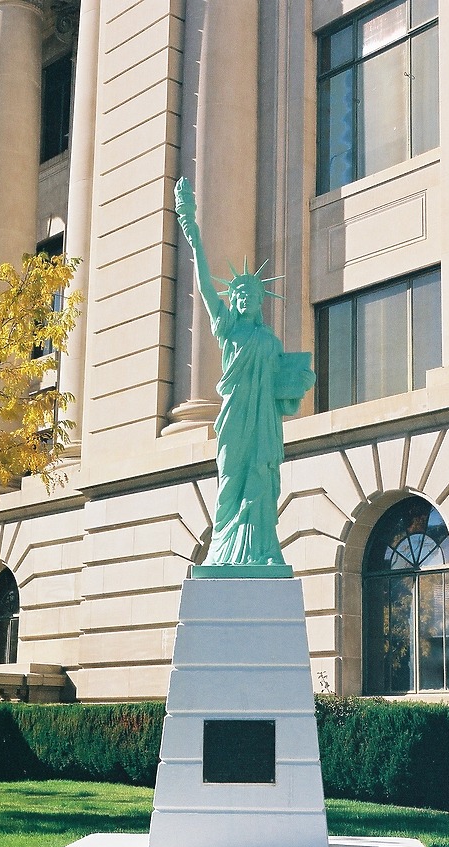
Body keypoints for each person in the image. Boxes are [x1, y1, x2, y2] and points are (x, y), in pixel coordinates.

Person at [174, 176, 315, 567]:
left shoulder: (270, 341)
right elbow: (205, 287)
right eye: (239, 294)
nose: (246, 298)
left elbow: (283, 390)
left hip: (265, 421)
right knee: (231, 480)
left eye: (252, 295)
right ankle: (223, 550)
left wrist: (301, 381)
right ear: (234, 302)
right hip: (235, 415)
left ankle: (263, 550)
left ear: (259, 301)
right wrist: (193, 234)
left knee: (264, 482)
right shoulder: (229, 330)